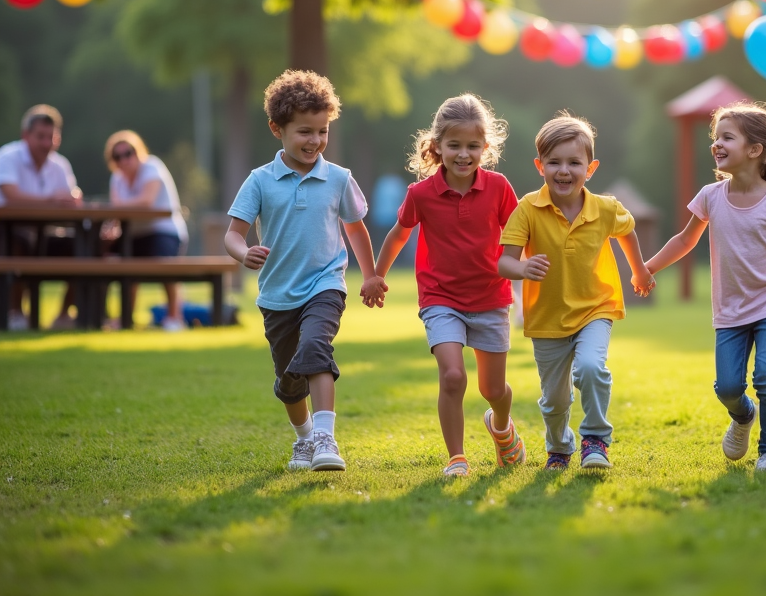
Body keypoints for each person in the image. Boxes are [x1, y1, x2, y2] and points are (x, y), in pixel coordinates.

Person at [224, 70, 385, 472]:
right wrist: (243, 254)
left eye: (323, 131)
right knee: (288, 382)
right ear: (277, 128)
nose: (315, 141)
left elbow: (355, 229)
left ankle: (325, 438)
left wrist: (369, 275)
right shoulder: (259, 181)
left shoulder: (338, 179)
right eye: (304, 132)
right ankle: (303, 438)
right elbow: (232, 234)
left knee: (315, 349)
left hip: (325, 284)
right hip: (277, 294)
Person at [643, 103, 766, 475]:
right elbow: (685, 240)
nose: (716, 144)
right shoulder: (710, 195)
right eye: (715, 138)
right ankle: (743, 415)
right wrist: (649, 267)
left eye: (727, 138)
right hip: (730, 308)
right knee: (727, 388)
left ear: (755, 150)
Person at [372, 94, 525, 477]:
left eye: (473, 146)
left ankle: (501, 426)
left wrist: (536, 265)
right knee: (453, 376)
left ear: (485, 148)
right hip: (441, 298)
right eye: (454, 145)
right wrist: (377, 275)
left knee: (494, 389)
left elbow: (523, 231)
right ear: (437, 145)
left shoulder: (499, 187)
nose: (463, 154)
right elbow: (398, 235)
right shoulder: (420, 194)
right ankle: (457, 457)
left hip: (490, 297)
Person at [498, 112, 654, 471]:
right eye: (554, 162)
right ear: (540, 166)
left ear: (591, 167)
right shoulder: (528, 209)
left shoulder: (605, 208)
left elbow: (627, 230)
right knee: (554, 400)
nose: (564, 171)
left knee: (589, 368)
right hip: (547, 318)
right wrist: (522, 268)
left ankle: (596, 438)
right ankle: (559, 447)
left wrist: (640, 270)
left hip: (595, 308)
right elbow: (503, 263)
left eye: (574, 162)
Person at [0, 104, 81, 330]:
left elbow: (71, 199)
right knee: (21, 243)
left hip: (45, 233)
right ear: (26, 135)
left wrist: (72, 199)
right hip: (7, 233)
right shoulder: (8, 157)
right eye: (41, 137)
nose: (47, 143)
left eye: (52, 137)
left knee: (85, 249)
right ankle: (15, 312)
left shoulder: (60, 164)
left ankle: (65, 315)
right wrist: (52, 200)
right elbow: (11, 196)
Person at [103, 130, 190, 331]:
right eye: (118, 156)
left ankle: (174, 316)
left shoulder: (152, 166)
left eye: (129, 153)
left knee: (163, 265)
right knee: (106, 259)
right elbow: (118, 210)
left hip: (165, 230)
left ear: (138, 151)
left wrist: (120, 207)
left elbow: (146, 201)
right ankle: (124, 317)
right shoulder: (116, 178)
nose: (124, 159)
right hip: (133, 234)